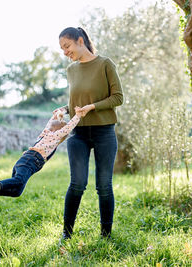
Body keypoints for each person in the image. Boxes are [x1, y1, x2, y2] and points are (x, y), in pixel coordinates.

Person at [58, 26, 123, 241]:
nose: (65, 52)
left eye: (67, 46)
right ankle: (66, 234)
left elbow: (118, 97)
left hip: (104, 131)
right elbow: (76, 103)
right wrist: (64, 110)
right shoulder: (71, 70)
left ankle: (106, 236)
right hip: (78, 133)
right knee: (77, 183)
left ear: (79, 41)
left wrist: (93, 107)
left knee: (104, 185)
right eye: (62, 49)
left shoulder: (105, 64)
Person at [0, 107, 84, 205]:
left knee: (17, 191)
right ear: (58, 131)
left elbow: (51, 122)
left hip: (26, 161)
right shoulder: (54, 135)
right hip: (30, 161)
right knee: (18, 181)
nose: (62, 136)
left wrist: (59, 113)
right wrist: (78, 116)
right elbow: (67, 128)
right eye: (62, 134)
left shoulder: (45, 132)